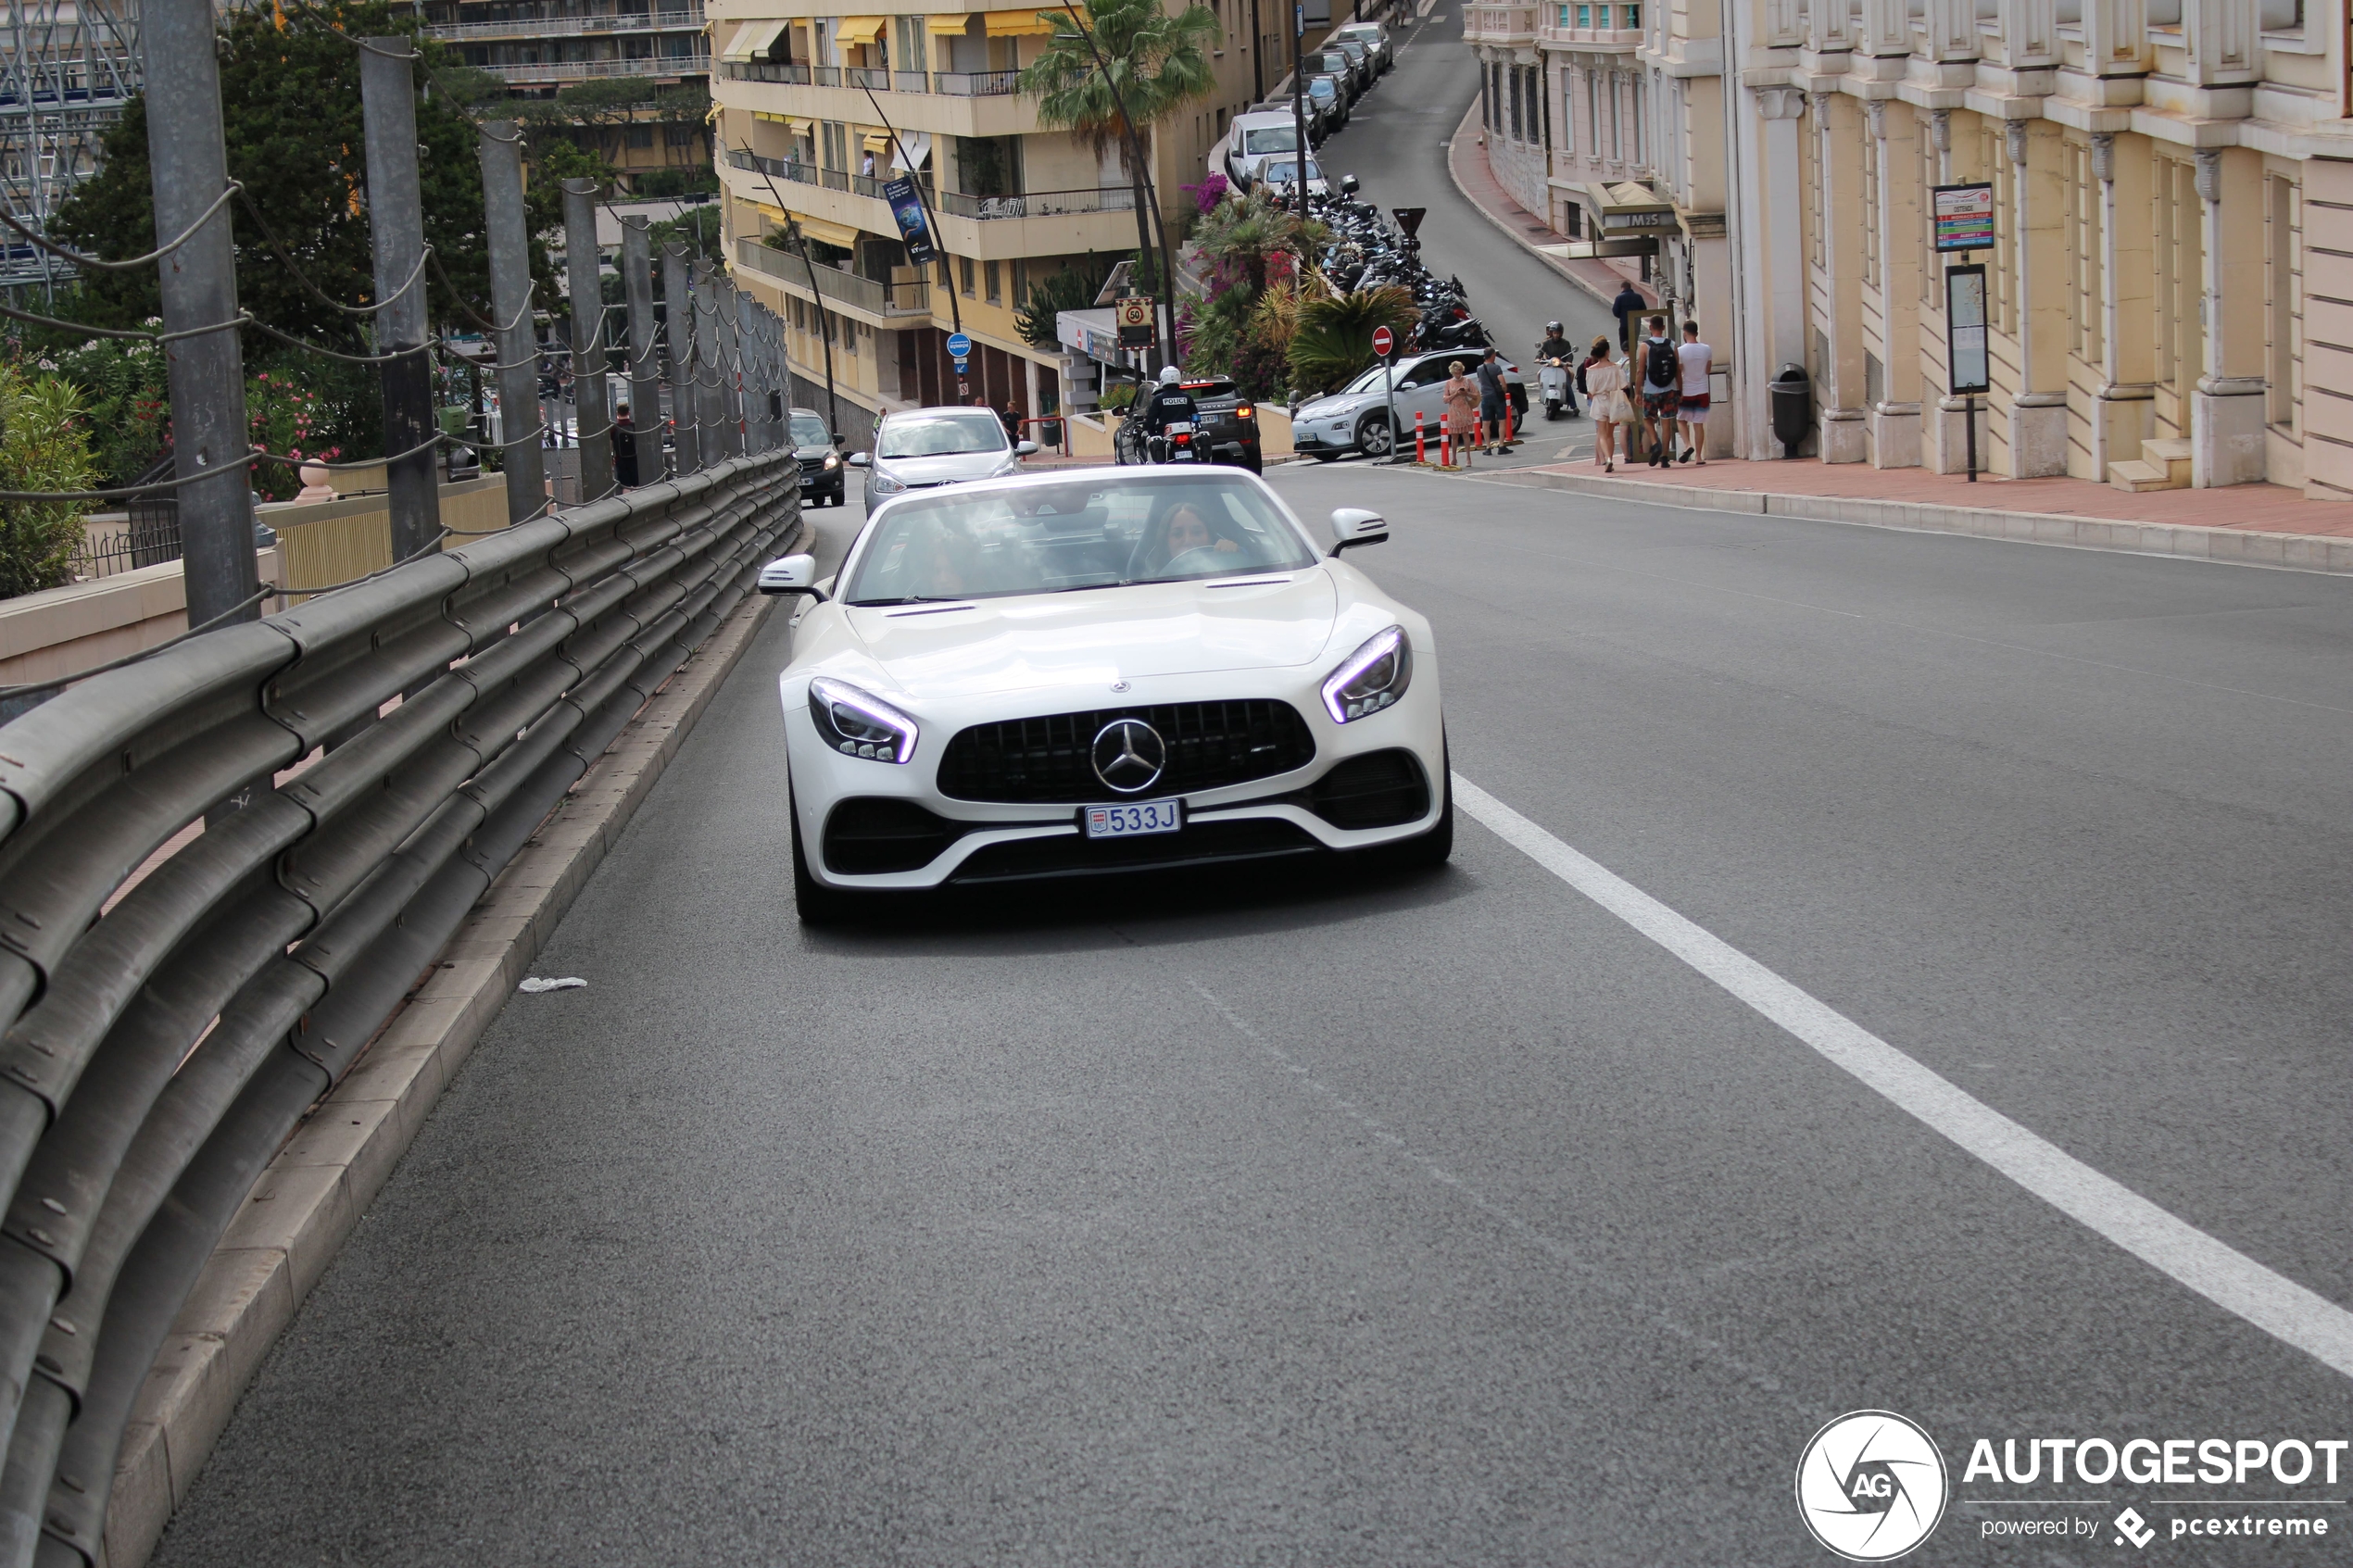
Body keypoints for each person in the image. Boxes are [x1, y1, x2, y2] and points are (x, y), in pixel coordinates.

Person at [1637, 314, 1681, 468]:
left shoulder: (1645, 346)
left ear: (1650, 327)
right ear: (1663, 327)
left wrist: (1637, 392)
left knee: (1647, 419)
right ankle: (1664, 457)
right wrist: (1679, 390)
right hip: (1670, 389)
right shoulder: (1672, 344)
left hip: (1651, 390)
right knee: (1667, 422)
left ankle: (1655, 443)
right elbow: (1677, 370)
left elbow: (1641, 371)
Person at [1581, 335, 1629, 472]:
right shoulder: (1616, 367)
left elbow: (1590, 391)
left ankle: (1607, 458)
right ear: (1607, 352)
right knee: (1610, 434)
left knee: (1601, 434)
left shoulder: (1591, 370)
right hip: (1613, 401)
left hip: (1599, 402)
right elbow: (1623, 385)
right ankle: (1611, 459)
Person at [1139, 364, 1199, 460]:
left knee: (1150, 443)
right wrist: (1197, 427)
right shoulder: (1187, 397)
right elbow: (1195, 415)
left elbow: (1151, 419)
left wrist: (1152, 432)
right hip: (1187, 431)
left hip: (1165, 433)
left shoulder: (1159, 399)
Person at [1675, 320, 1713, 465]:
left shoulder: (1680, 351)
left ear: (1685, 333)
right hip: (1702, 389)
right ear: (1696, 332)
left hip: (1687, 390)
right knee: (1699, 424)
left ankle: (1687, 445)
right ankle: (1698, 456)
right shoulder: (1706, 349)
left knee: (1681, 420)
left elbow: (1680, 371)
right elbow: (1707, 370)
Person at [1537, 320, 1580, 418]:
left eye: (1558, 333)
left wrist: (1568, 362)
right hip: (1549, 364)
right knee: (1539, 374)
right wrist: (1538, 358)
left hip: (1562, 365)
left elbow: (1570, 354)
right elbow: (1541, 351)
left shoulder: (1565, 343)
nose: (1556, 335)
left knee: (1567, 383)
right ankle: (1542, 393)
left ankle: (1574, 406)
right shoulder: (1547, 343)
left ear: (1561, 333)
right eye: (1554, 333)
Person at [1440, 359, 1478, 464]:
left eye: (1460, 372)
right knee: (1454, 435)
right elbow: (1445, 399)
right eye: (1456, 372)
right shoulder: (1449, 383)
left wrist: (1466, 393)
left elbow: (1476, 395)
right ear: (1452, 372)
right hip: (1453, 411)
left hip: (1464, 410)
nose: (1458, 374)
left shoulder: (1467, 381)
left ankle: (1468, 458)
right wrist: (1456, 394)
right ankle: (1454, 457)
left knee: (1465, 434)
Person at [1475, 345, 1510, 455]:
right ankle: (1501, 445)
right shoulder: (1496, 368)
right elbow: (1503, 383)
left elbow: (1480, 380)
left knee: (1486, 423)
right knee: (1501, 421)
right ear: (1493, 355)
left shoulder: (1479, 368)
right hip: (1497, 397)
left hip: (1485, 397)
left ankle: (1488, 447)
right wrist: (1503, 390)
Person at [1612, 279, 1646, 355]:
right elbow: (1644, 310)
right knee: (1633, 342)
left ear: (1622, 288)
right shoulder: (1638, 297)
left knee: (1624, 342)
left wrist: (1621, 316)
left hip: (1624, 324)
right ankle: (1633, 357)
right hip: (1635, 324)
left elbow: (1615, 312)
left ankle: (1626, 357)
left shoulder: (1619, 298)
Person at [612, 404, 639, 487]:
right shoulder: (635, 426)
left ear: (617, 413)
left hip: (620, 459)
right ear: (628, 413)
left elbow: (610, 443)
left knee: (625, 485)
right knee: (636, 483)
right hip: (634, 458)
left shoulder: (614, 428)